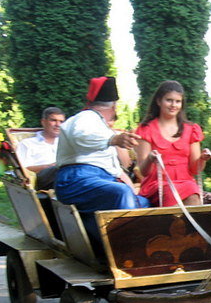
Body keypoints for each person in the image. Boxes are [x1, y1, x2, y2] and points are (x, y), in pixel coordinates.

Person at [55, 76, 149, 245]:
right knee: (121, 193)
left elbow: (113, 168)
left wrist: (130, 186)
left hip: (97, 180)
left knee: (144, 201)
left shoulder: (99, 124)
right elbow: (81, 136)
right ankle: (127, 253)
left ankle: (100, 244)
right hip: (76, 179)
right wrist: (113, 140)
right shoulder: (86, 117)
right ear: (114, 107)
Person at [134, 80, 211, 207]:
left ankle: (182, 226)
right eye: (169, 100)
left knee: (192, 190)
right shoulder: (146, 129)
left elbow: (194, 169)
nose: (173, 105)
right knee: (180, 192)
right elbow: (143, 171)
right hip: (157, 185)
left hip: (186, 183)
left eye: (177, 101)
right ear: (159, 101)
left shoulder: (191, 129)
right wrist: (150, 159)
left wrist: (202, 159)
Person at [16, 106, 65, 190]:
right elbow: (23, 169)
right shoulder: (28, 143)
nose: (58, 125)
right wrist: (48, 166)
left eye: (61, 121)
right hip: (40, 179)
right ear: (43, 122)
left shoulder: (65, 142)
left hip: (64, 177)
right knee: (60, 168)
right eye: (53, 120)